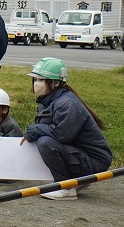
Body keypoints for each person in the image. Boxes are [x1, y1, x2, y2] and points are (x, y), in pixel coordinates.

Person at [22, 57, 112, 200]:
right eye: (35, 80)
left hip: (95, 162)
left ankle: (66, 187)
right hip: (84, 156)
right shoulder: (50, 100)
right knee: (45, 139)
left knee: (46, 143)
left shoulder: (66, 103)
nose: (35, 84)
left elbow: (63, 135)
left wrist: (35, 130)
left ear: (56, 83)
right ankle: (74, 182)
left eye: (40, 80)